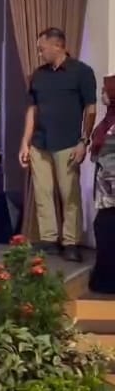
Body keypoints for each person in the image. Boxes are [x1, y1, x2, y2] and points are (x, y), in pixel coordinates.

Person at [19, 27, 96, 262]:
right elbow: (32, 109)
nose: (40, 53)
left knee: (69, 194)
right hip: (40, 142)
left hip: (68, 143)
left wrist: (84, 141)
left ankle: (71, 241)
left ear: (58, 46)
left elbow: (91, 108)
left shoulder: (81, 72)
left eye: (42, 49)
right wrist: (25, 142)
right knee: (43, 193)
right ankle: (49, 239)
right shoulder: (39, 75)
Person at [89, 77, 115, 293]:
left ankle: (107, 281)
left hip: (113, 188)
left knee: (105, 228)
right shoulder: (109, 120)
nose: (101, 95)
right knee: (103, 228)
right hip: (106, 187)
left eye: (105, 91)